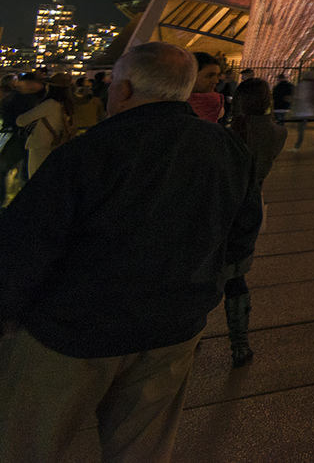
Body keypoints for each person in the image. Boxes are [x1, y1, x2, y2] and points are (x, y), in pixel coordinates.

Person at [0, 42, 261, 462]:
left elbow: (24, 246)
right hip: (174, 329)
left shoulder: (87, 154)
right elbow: (242, 236)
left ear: (122, 90)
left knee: (26, 443)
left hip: (73, 333)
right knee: (143, 450)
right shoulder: (229, 150)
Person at [223, 78, 287, 367]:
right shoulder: (278, 133)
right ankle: (239, 345)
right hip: (252, 207)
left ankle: (194, 337)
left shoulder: (228, 133)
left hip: (223, 207)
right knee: (237, 278)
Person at [15, 73, 75, 181]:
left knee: (36, 180)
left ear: (52, 87)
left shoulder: (50, 104)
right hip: (57, 144)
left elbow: (21, 121)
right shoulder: (66, 104)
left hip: (41, 145)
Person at [0, 71, 47, 188]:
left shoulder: (19, 98)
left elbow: (16, 119)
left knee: (4, 168)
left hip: (19, 136)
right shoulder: (43, 99)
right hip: (31, 137)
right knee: (28, 170)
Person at [187, 51, 225, 123]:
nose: (216, 81)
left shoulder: (216, 105)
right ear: (191, 75)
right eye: (210, 75)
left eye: (217, 75)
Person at [290, 73, 314, 150]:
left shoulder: (301, 85)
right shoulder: (312, 86)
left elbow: (298, 97)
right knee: (302, 128)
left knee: (301, 128)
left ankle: (298, 144)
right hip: (307, 110)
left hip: (301, 111)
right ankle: (307, 143)